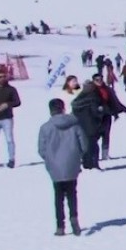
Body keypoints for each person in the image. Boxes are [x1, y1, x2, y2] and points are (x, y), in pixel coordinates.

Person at [37, 98, 89, 236]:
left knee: (58, 196)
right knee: (72, 193)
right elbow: (84, 145)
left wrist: (50, 159)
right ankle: (74, 217)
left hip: (55, 166)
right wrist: (78, 156)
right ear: (63, 108)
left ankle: (60, 226)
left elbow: (41, 149)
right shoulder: (75, 125)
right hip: (72, 163)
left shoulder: (45, 127)